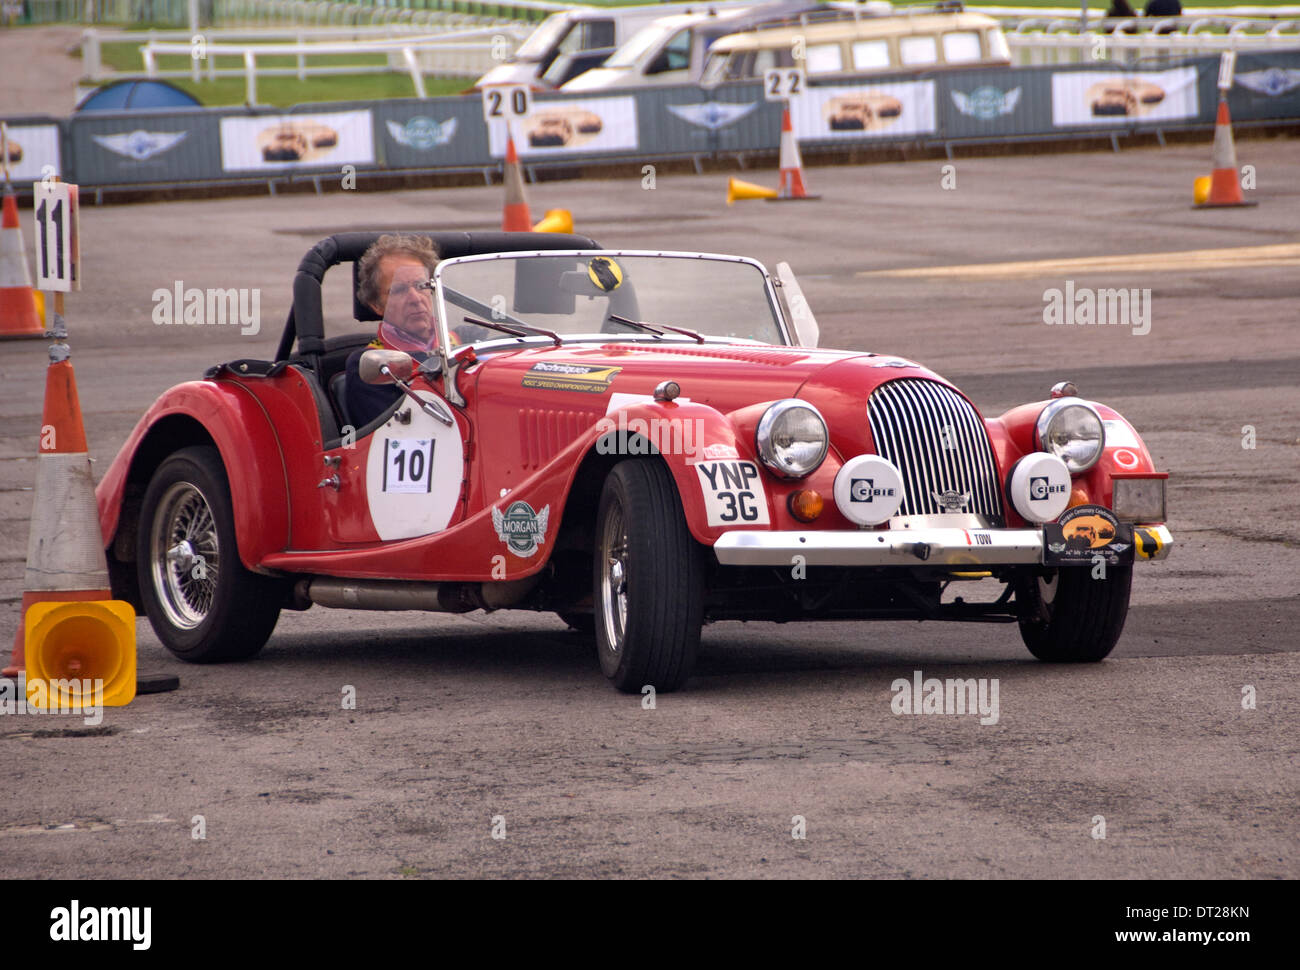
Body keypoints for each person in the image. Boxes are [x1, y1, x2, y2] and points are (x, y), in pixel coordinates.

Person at [343, 234, 442, 429]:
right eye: (398, 290)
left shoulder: (466, 337)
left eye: (421, 285)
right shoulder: (370, 364)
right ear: (376, 305)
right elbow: (396, 436)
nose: (415, 298)